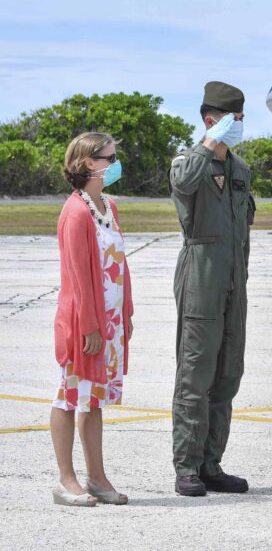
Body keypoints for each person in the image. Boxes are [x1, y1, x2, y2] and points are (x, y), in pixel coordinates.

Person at [170, 81, 255, 496]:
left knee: (227, 375)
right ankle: (186, 466)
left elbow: (243, 232)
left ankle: (210, 464)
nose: (239, 125)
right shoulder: (188, 162)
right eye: (233, 119)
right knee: (195, 374)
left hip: (234, 282)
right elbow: (184, 183)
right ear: (211, 120)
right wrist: (208, 144)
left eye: (241, 118)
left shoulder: (240, 170)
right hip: (201, 278)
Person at [50, 132, 134, 506]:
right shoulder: (76, 211)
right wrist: (89, 326)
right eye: (110, 158)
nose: (116, 164)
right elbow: (77, 277)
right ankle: (66, 480)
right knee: (69, 395)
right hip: (84, 323)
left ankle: (97, 478)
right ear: (90, 163)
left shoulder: (108, 206)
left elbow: (120, 263)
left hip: (109, 320)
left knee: (93, 398)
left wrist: (126, 312)